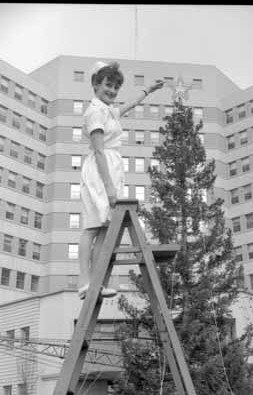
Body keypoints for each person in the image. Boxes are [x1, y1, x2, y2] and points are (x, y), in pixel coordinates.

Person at [78, 61, 164, 299]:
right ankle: (84, 281)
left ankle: (96, 282)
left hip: (111, 169)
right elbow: (98, 151)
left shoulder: (108, 110)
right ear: (96, 84)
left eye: (116, 87)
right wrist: (109, 189)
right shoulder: (95, 111)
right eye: (108, 85)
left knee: (106, 227)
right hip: (99, 170)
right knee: (92, 226)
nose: (112, 91)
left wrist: (149, 90)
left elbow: (130, 104)